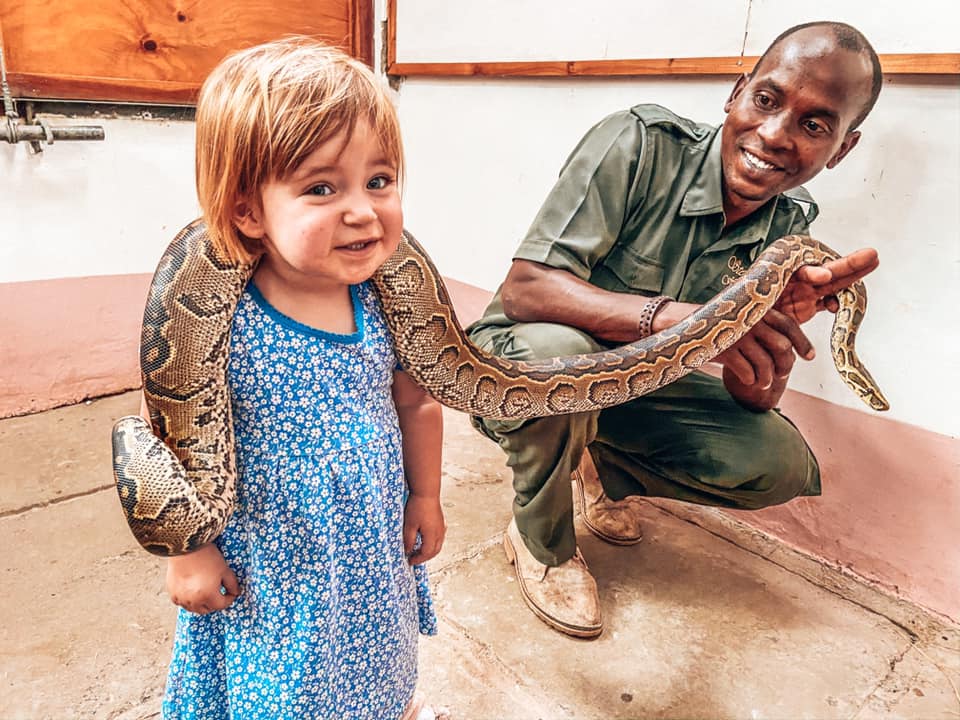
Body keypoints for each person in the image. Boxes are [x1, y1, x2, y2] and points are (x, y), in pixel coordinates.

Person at [468, 21, 883, 639]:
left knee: (776, 459)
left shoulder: (790, 234)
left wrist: (771, 352)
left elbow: (751, 398)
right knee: (566, 360)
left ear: (842, 149)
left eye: (815, 125)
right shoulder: (638, 143)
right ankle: (543, 544)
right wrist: (687, 320)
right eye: (766, 100)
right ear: (736, 92)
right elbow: (527, 289)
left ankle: (594, 467)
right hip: (520, 363)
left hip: (638, 387)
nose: (775, 134)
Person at [156, 38, 445, 719]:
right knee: (280, 691)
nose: (362, 210)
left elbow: (418, 404)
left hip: (368, 544)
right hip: (270, 561)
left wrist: (425, 497)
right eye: (322, 187)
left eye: (379, 180)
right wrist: (187, 552)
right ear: (247, 211)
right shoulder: (219, 319)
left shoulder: (385, 300)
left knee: (375, 671)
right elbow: (166, 442)